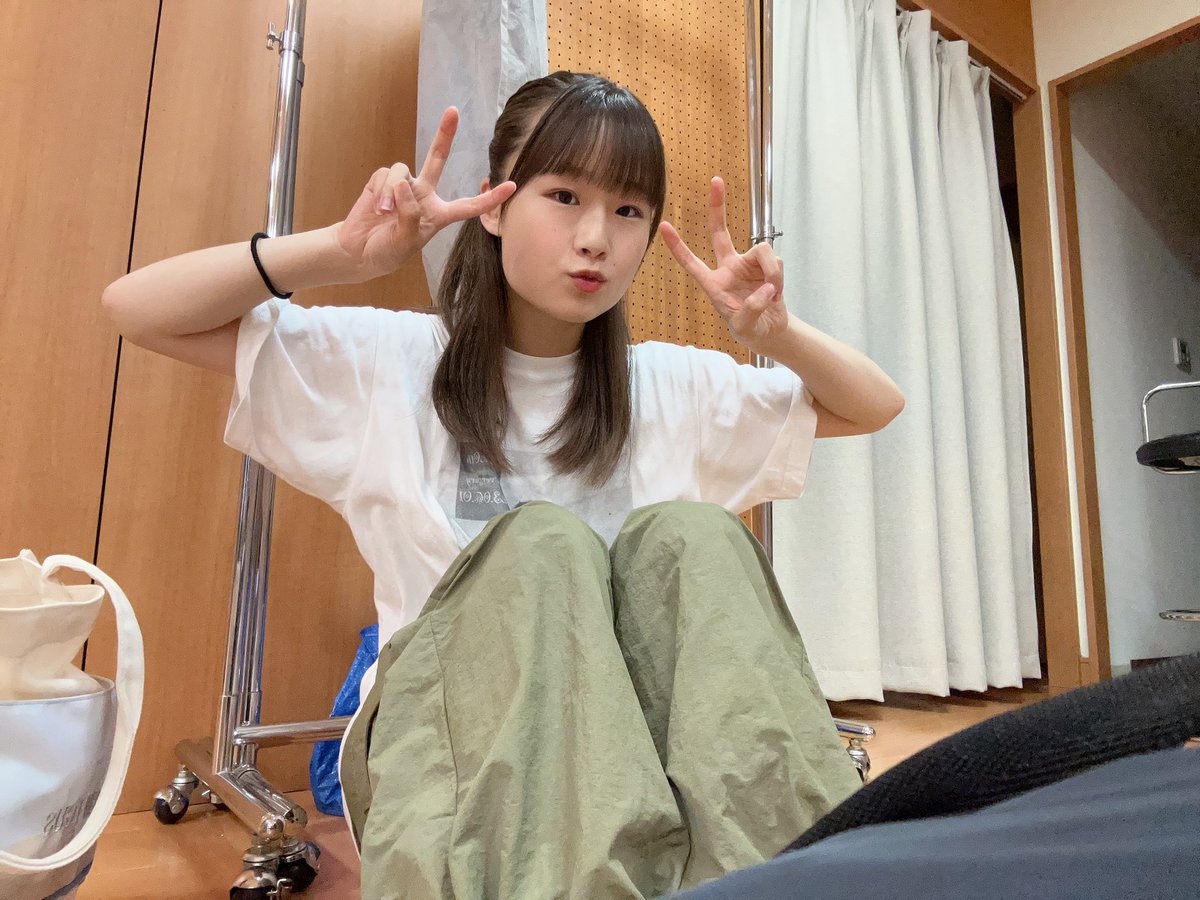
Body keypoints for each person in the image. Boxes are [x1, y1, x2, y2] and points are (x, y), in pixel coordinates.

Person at [102, 71, 904, 899]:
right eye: (565, 196)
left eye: (628, 210)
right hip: (452, 762)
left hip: (645, 761)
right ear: (493, 205)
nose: (596, 238)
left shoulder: (668, 385)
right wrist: (338, 253)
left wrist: (779, 333)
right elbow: (136, 308)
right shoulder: (389, 365)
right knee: (540, 544)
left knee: (696, 538)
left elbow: (873, 405)